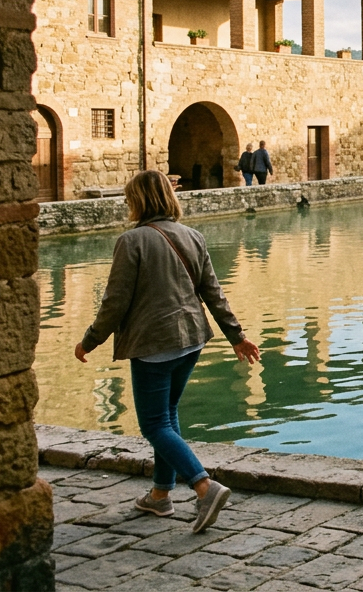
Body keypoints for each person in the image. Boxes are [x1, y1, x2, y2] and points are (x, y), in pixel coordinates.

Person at [73, 171, 260, 534]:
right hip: (191, 339)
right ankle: (160, 495)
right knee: (168, 415)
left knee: (154, 424)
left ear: (140, 201)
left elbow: (115, 302)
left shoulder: (132, 241)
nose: (127, 206)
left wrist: (90, 340)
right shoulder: (193, 236)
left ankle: (204, 487)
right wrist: (237, 336)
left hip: (154, 343)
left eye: (129, 199)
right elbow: (213, 294)